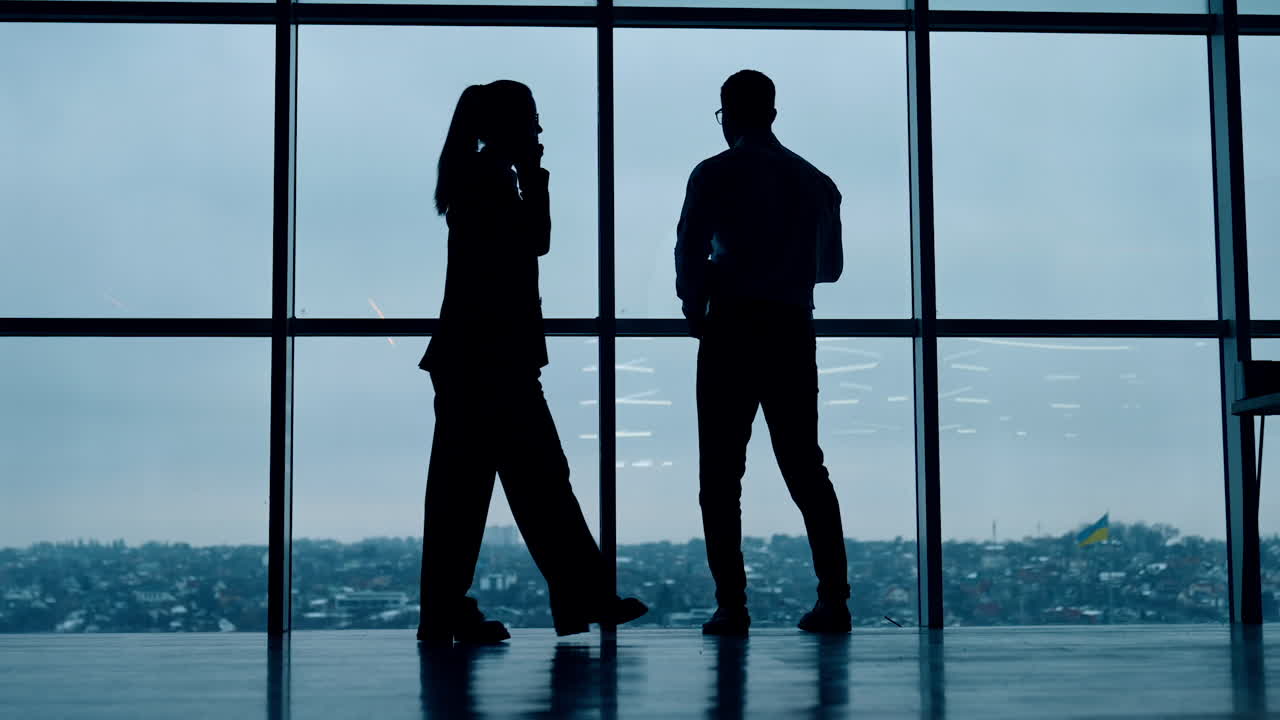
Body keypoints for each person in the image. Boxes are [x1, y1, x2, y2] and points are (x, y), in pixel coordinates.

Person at [417, 80, 646, 645]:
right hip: (495, 361)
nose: (539, 131)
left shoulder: (475, 177)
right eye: (533, 120)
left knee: (467, 493)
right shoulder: (491, 180)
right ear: (509, 125)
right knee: (538, 484)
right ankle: (582, 597)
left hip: (476, 360)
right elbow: (535, 241)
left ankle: (449, 610)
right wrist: (537, 175)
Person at [675, 70, 851, 636]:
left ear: (727, 115)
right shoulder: (817, 182)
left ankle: (732, 603)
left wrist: (698, 299)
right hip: (791, 329)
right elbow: (831, 270)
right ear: (773, 113)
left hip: (729, 330)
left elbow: (688, 255)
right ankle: (834, 598)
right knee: (806, 468)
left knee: (721, 476)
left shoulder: (713, 175)